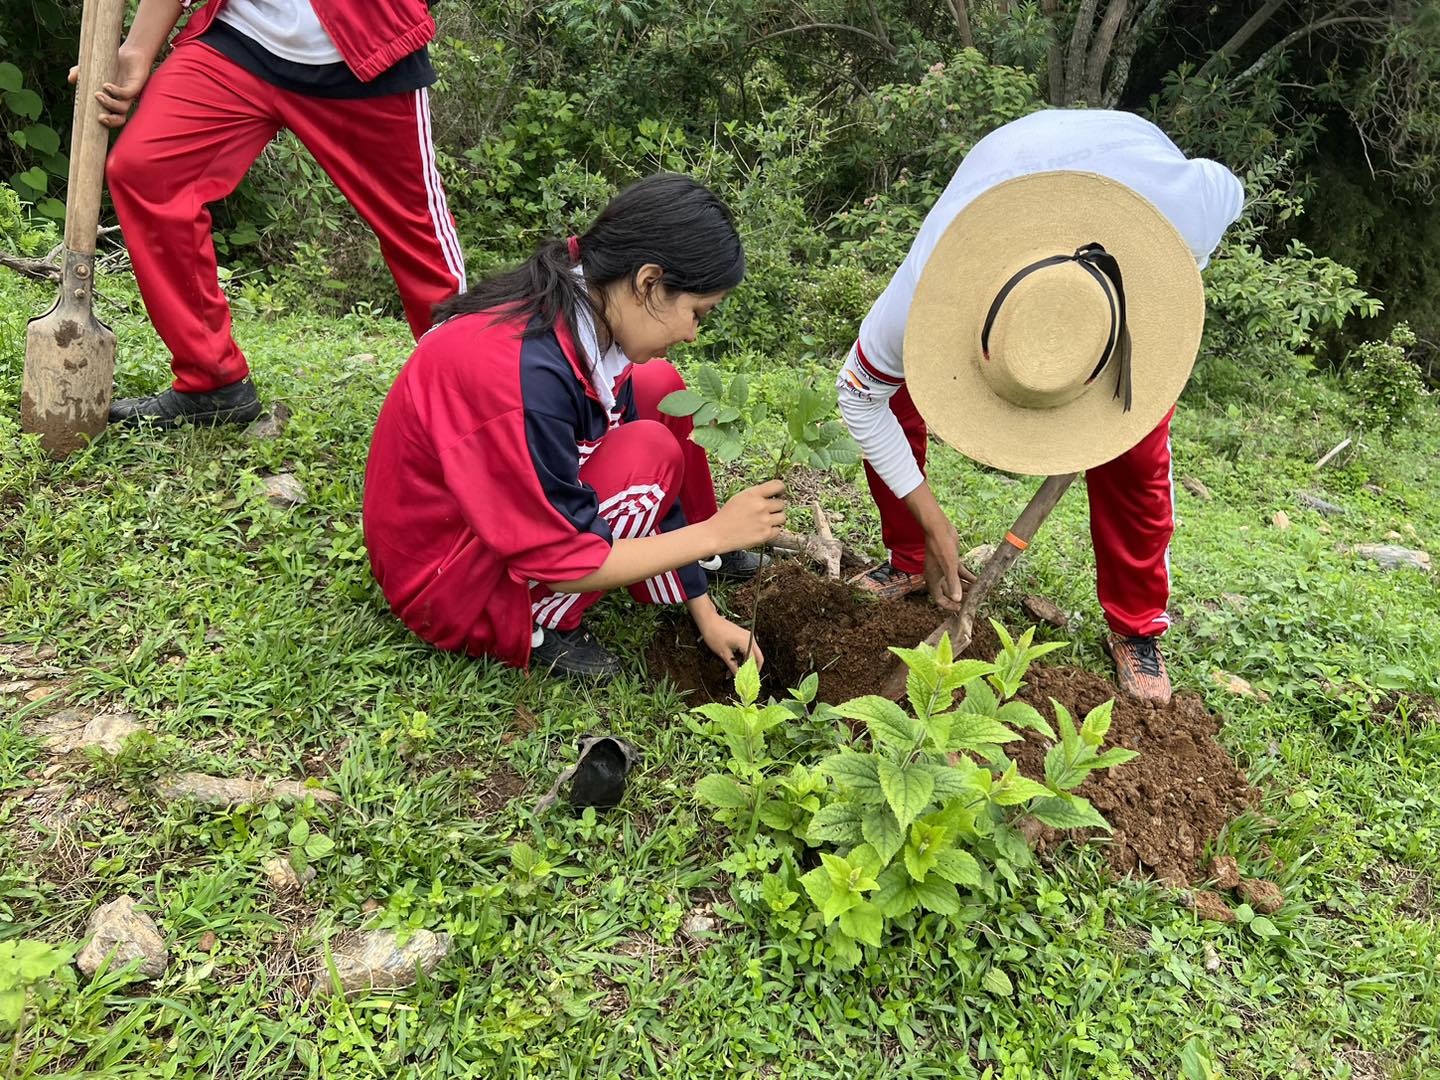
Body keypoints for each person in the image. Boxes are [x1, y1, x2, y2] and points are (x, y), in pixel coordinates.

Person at [837, 109, 1245, 705]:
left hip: (1124, 251)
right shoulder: (924, 291)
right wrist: (933, 520)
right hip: (1004, 168)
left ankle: (1136, 627)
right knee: (894, 393)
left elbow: (1227, 190)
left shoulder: (1184, 204)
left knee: (1135, 451)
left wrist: (1175, 269)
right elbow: (859, 395)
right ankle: (911, 555)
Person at [363, 173, 779, 678]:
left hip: (468, 525)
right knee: (652, 448)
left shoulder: (582, 306)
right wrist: (713, 534)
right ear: (648, 282)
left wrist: (706, 614)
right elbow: (562, 559)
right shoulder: (521, 376)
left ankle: (671, 572)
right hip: (446, 582)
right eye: (697, 312)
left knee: (658, 384)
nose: (693, 334)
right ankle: (534, 622)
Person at [85, 0, 466, 427]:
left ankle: (465, 397)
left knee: (417, 233)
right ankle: (213, 382)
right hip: (239, 40)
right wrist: (136, 51)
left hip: (364, 57)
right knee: (148, 172)